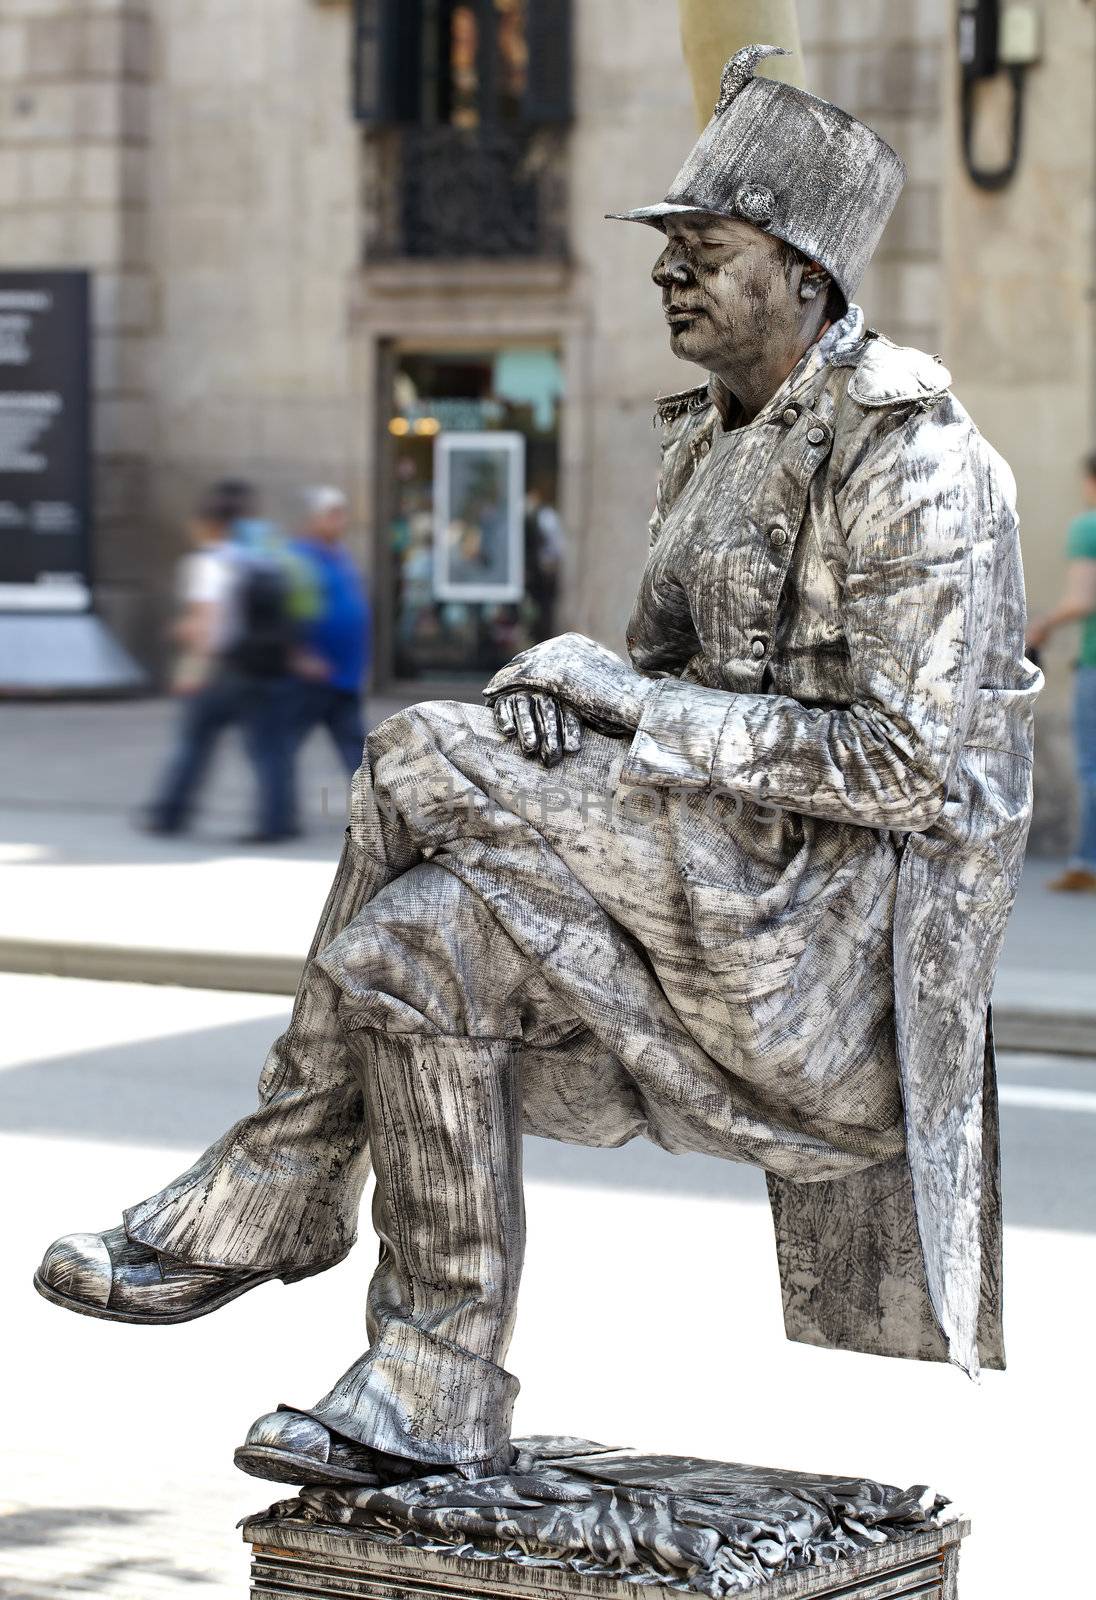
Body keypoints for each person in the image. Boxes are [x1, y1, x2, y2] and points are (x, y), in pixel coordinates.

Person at [37, 48, 1039, 1493]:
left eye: (706, 251)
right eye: (667, 256)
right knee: (412, 944)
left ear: (808, 278)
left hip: (826, 959)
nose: (670, 278)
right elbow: (665, 695)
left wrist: (623, 702)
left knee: (416, 746)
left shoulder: (918, 457)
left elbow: (906, 768)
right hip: (704, 888)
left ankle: (277, 1183)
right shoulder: (703, 442)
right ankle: (430, 1386)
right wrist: (582, 722)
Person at [145, 481, 298, 844]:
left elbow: (208, 622)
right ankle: (278, 821)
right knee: (268, 749)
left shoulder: (208, 564)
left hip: (222, 670)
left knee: (194, 744)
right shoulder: (259, 561)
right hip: (261, 667)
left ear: (209, 525)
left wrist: (193, 664)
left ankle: (169, 814)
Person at [1025, 453, 1096, 891]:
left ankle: (1086, 863)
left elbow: (1083, 599)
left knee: (1091, 765)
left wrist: (1042, 626)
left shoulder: (1088, 527)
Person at [289, 487, 371, 783]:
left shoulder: (339, 555)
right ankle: (275, 813)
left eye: (342, 514)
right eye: (332, 515)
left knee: (354, 748)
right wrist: (298, 654)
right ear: (313, 519)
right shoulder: (299, 557)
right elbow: (288, 612)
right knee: (283, 745)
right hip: (311, 675)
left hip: (342, 675)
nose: (341, 521)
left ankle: (375, 810)